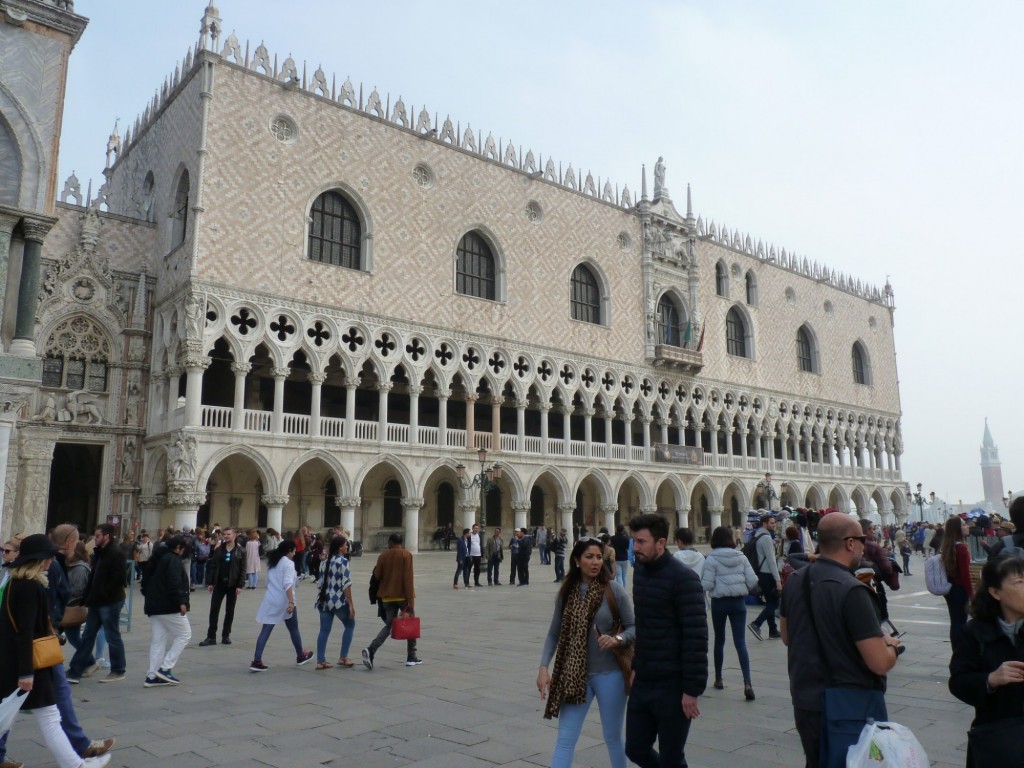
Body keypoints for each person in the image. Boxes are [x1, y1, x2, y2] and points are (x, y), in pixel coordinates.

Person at [780, 512, 902, 768]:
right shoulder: (853, 589)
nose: (863, 545)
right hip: (848, 705)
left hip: (806, 700)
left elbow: (787, 636)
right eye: (862, 539)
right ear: (850, 543)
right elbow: (879, 663)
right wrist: (891, 647)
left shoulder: (795, 581)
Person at [0, 534, 113, 768]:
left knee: (43, 717)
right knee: (50, 718)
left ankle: (77, 764)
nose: (52, 560)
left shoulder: (12, 584)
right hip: (32, 663)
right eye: (48, 556)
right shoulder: (31, 588)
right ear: (38, 559)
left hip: (15, 662)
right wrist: (26, 673)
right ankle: (77, 765)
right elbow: (26, 633)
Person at [537, 538, 635, 768]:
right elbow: (554, 634)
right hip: (575, 675)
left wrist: (617, 639)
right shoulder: (567, 593)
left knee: (612, 737)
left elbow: (634, 627)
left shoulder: (613, 590)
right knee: (565, 739)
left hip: (609, 674)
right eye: (589, 557)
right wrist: (543, 667)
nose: (596, 562)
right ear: (577, 561)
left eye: (599, 557)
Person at [625, 513, 708, 768]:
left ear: (661, 543)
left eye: (641, 542)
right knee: (635, 749)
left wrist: (691, 690)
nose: (635, 548)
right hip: (644, 679)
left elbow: (696, 637)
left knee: (672, 756)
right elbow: (644, 625)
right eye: (634, 542)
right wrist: (636, 666)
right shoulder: (640, 572)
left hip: (672, 685)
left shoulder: (685, 580)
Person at [949, 553, 1024, 766]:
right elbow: (958, 682)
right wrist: (990, 679)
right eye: (1019, 582)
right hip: (999, 741)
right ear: (995, 592)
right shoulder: (973, 633)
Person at [701, 526, 758, 701]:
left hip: (719, 603)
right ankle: (747, 682)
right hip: (738, 603)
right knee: (740, 642)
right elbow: (753, 580)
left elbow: (706, 585)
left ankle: (718, 678)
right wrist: (741, 587)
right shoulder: (741, 557)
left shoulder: (711, 558)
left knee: (719, 640)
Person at [67, 524, 127, 684]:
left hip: (110, 601)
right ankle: (75, 670)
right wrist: (87, 597)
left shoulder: (116, 553)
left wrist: (102, 593)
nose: (95, 538)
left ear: (107, 536)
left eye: (98, 535)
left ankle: (118, 669)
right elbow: (94, 576)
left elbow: (119, 579)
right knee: (87, 635)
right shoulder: (100, 552)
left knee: (112, 635)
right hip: (97, 601)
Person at [248, 541, 313, 671]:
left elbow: (267, 582)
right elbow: (287, 584)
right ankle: (300, 655)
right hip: (284, 600)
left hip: (271, 599)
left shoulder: (273, 563)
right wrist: (291, 602)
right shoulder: (288, 564)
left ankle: (257, 660)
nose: (294, 554)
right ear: (289, 550)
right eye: (294, 551)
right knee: (293, 628)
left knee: (266, 629)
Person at [140, 535, 191, 687]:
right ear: (178, 548)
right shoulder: (173, 560)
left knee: (158, 640)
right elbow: (174, 582)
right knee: (184, 634)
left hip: (154, 605)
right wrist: (182, 601)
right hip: (168, 605)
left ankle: (152, 674)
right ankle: (165, 668)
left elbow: (145, 583)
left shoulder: (157, 559)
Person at [362, 533, 419, 669]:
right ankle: (411, 656)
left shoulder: (383, 556)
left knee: (388, 626)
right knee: (411, 623)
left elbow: (377, 575)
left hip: (387, 597)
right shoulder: (406, 555)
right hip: (402, 597)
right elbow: (408, 579)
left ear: (390, 542)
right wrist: (411, 602)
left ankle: (371, 650)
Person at [199, 527, 246, 646]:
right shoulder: (219, 550)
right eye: (224, 534)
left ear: (234, 535)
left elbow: (243, 569)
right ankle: (211, 636)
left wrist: (240, 585)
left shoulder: (241, 551)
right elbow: (213, 566)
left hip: (233, 584)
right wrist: (210, 582)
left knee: (229, 611)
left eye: (228, 534)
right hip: (219, 583)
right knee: (214, 610)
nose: (226, 536)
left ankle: (226, 635)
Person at [315, 535, 356, 669]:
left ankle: (321, 660)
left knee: (324, 630)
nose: (347, 547)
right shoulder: (342, 562)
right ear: (340, 547)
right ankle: (343, 657)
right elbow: (346, 585)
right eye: (345, 545)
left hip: (324, 600)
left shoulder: (324, 561)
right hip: (338, 600)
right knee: (350, 624)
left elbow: (319, 583)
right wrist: (350, 605)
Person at [940, 515, 974, 652]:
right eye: (964, 524)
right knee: (960, 621)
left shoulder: (948, 546)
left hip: (950, 589)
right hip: (960, 589)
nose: (967, 526)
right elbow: (965, 575)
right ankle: (961, 650)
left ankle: (956, 649)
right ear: (957, 529)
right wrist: (972, 594)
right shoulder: (962, 548)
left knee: (955, 621)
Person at [747, 514, 782, 641]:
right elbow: (772, 560)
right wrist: (778, 580)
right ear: (764, 523)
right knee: (774, 603)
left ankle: (772, 630)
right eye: (772, 523)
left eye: (774, 523)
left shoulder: (757, 535)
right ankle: (756, 624)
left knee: (770, 602)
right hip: (767, 574)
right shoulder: (766, 538)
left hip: (761, 573)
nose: (774, 525)